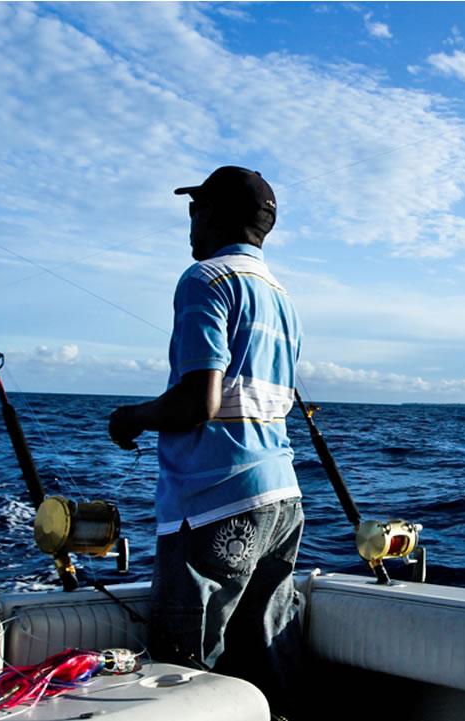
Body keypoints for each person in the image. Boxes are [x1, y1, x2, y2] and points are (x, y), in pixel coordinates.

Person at [108, 165, 306, 716]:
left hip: (214, 503)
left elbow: (200, 401)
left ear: (214, 214)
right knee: (267, 659)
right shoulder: (283, 297)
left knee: (184, 669)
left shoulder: (205, 281)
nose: (190, 224)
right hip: (281, 500)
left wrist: (130, 418)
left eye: (195, 210)